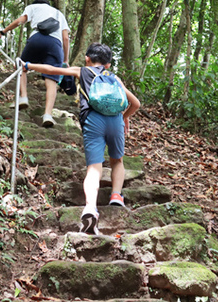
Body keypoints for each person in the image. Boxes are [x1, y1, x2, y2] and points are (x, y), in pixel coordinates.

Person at [23, 43, 140, 235]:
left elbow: (52, 69)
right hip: (116, 121)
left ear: (87, 58)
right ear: (108, 64)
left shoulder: (82, 71)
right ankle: (117, 195)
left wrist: (28, 66)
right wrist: (124, 118)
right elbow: (136, 103)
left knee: (94, 167)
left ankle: (90, 208)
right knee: (117, 160)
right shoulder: (114, 78)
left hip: (93, 119)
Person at [0, 0, 70, 128]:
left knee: (21, 66)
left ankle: (23, 97)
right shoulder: (59, 14)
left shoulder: (33, 7)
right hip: (55, 45)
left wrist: (2, 33)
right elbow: (66, 38)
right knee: (51, 81)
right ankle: (47, 115)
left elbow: (19, 21)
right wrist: (65, 60)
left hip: (37, 39)